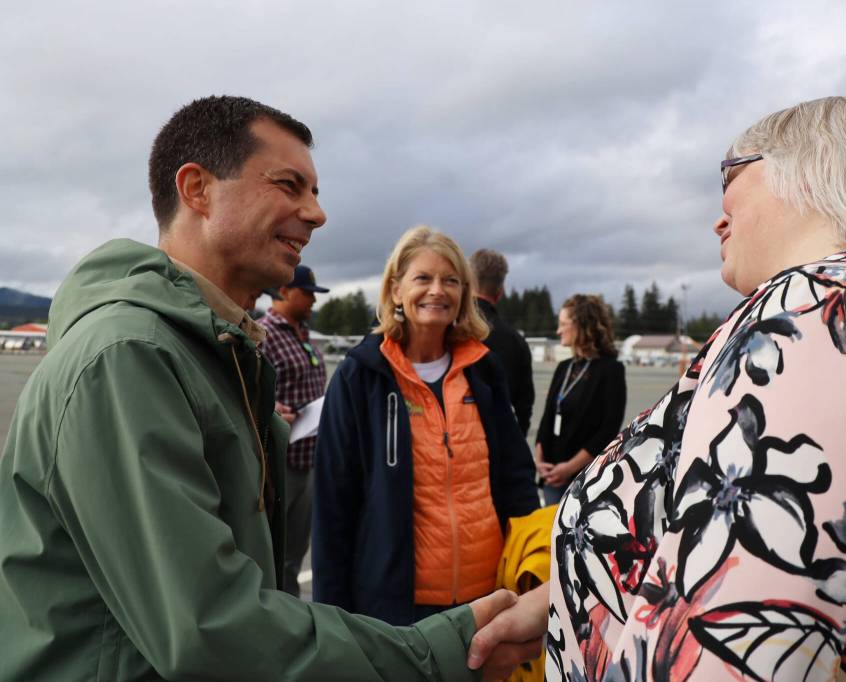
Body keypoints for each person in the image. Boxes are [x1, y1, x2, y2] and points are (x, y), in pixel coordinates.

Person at [468, 92, 846, 680]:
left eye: (731, 174)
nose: (717, 216)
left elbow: (739, 643)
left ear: (813, 167)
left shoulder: (826, 319)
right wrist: (577, 603)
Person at [0, 95, 525, 681]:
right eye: (290, 185)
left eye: (316, 192)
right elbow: (213, 627)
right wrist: (438, 651)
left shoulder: (213, 352)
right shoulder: (129, 358)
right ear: (197, 189)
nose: (318, 213)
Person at [313, 225, 540, 626]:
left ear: (464, 294)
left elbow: (516, 479)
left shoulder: (484, 373)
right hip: (395, 611)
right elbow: (333, 506)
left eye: (450, 280)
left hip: (486, 602)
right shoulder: (359, 378)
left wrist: (532, 576)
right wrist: (332, 620)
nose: (438, 290)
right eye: (423, 278)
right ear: (396, 289)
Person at [256, 264, 329, 597]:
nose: (313, 302)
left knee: (294, 555)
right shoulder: (262, 335)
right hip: (278, 467)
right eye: (308, 294)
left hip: (308, 463)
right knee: (270, 556)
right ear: (283, 291)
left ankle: (293, 618)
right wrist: (270, 412)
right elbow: (248, 394)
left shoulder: (304, 337)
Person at [534, 294, 626, 505]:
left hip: (583, 478)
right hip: (551, 475)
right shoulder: (564, 368)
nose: (558, 331)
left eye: (563, 324)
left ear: (582, 326)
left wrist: (569, 468)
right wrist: (539, 460)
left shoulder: (610, 370)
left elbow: (608, 430)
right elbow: (548, 416)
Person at [470, 248, 535, 435]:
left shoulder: (449, 330)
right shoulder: (517, 341)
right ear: (499, 292)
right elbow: (524, 405)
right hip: (501, 444)